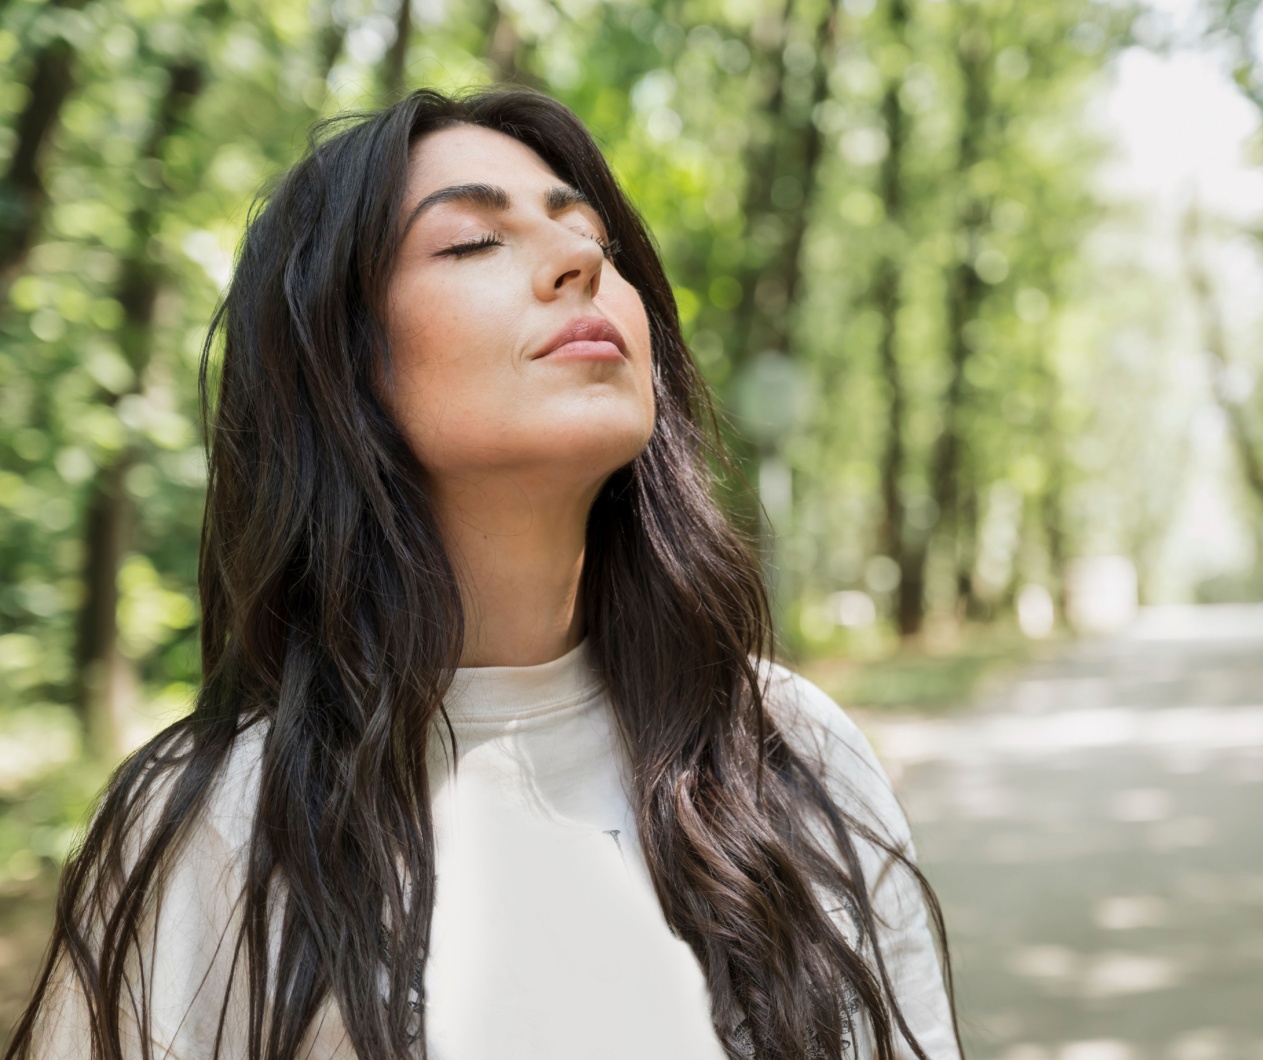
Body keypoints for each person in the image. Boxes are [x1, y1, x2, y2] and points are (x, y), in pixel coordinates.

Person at [6, 88, 960, 1060]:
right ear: (340, 359)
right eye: (470, 242)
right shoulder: (217, 822)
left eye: (593, 235)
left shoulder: (787, 749)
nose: (582, 261)